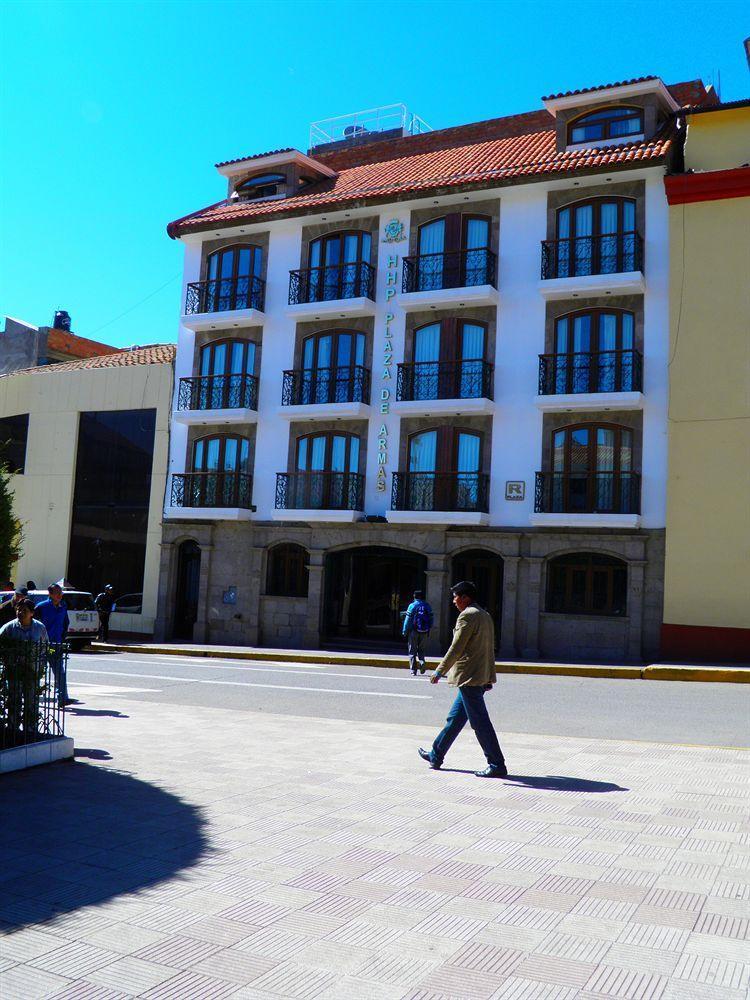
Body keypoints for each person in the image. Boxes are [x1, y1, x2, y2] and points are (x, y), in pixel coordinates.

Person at [418, 580, 508, 778]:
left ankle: (496, 763)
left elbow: (456, 648)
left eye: (455, 597)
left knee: (480, 722)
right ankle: (436, 754)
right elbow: (489, 649)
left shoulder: (467, 616)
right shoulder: (484, 615)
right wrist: (489, 676)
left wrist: (439, 671)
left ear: (465, 597)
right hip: (479, 675)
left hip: (469, 677)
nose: (453, 601)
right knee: (455, 719)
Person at [36, 584, 72, 707]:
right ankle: (32, 696)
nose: (60, 595)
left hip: (56, 645)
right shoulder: (41, 607)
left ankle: (62, 698)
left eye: (61, 592)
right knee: (37, 671)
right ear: (50, 594)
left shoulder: (63, 606)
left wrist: (63, 637)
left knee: (59, 672)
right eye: (57, 593)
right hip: (43, 645)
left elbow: (66, 622)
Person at [402, 589, 434, 675]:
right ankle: (422, 662)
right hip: (424, 631)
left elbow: (407, 619)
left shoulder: (412, 606)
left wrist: (404, 630)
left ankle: (413, 670)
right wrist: (429, 628)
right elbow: (431, 619)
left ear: (415, 596)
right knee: (421, 650)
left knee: (412, 651)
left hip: (414, 631)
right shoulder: (427, 606)